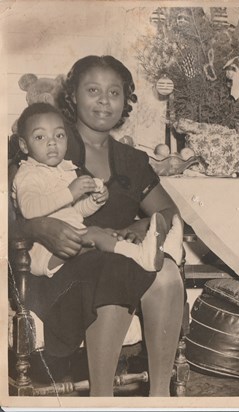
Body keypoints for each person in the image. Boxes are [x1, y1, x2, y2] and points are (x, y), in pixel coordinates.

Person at [9, 55, 184, 396]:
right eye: (93, 90)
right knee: (114, 270)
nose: (104, 101)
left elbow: (168, 211)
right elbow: (14, 213)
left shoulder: (133, 161)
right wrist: (39, 229)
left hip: (115, 259)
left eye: (114, 92)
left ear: (125, 100)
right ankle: (101, 399)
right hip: (61, 270)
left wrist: (141, 227)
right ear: (72, 96)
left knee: (165, 273)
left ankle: (160, 397)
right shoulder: (51, 141)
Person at [11, 102, 185, 276]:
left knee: (108, 234)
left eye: (59, 135)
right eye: (40, 137)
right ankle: (143, 256)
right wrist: (71, 192)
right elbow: (29, 209)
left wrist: (93, 202)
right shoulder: (28, 174)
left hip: (68, 242)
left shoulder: (62, 170)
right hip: (43, 252)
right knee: (95, 234)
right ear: (24, 145)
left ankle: (166, 250)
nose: (52, 143)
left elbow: (74, 212)